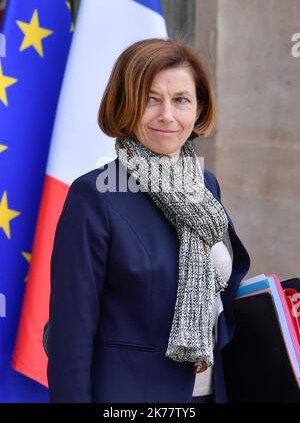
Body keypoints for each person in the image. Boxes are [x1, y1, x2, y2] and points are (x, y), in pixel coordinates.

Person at [46, 38, 251, 403]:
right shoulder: (95, 195)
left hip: (209, 393)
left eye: (181, 100)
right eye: (150, 99)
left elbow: (221, 292)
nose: (167, 115)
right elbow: (69, 336)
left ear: (199, 108)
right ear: (126, 104)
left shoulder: (204, 186)